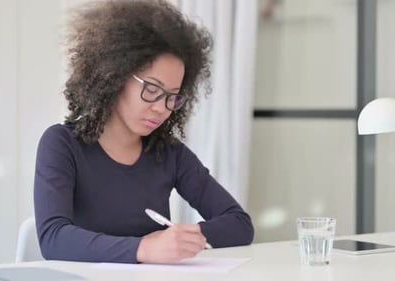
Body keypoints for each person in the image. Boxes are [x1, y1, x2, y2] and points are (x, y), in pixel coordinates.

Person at [33, 0, 254, 264]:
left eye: (172, 97)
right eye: (151, 89)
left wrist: (183, 239)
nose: (161, 108)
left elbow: (239, 225)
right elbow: (54, 239)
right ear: (114, 77)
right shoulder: (62, 144)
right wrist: (144, 249)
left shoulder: (170, 154)